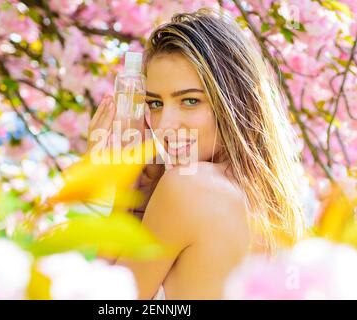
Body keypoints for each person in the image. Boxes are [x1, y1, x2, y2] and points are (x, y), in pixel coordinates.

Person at [87, 7, 305, 299]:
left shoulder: (188, 187)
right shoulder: (270, 199)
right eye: (155, 104)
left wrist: (122, 194)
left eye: (190, 101)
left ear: (234, 102)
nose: (164, 126)